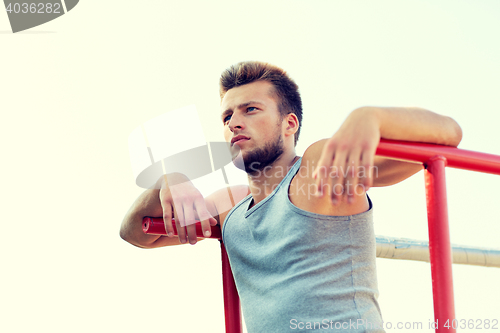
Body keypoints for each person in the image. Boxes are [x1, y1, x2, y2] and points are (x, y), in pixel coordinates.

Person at [120, 61, 462, 332]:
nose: (234, 122)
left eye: (250, 109)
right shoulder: (230, 206)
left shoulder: (317, 169)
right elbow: (133, 232)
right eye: (227, 116)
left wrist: (370, 117)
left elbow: (448, 135)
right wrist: (168, 178)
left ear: (290, 123)